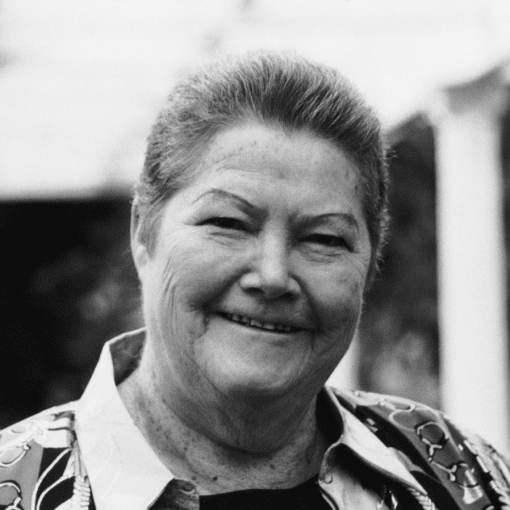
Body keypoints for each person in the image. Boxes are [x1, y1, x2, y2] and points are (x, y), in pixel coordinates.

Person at [1, 51, 509, 510]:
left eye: (323, 239)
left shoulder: (465, 476)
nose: (272, 276)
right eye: (228, 223)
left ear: (369, 262)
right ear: (143, 233)